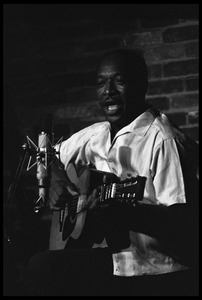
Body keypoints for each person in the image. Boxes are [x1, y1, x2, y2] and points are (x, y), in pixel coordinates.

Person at [21, 48, 199, 296]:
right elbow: (44, 152)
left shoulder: (163, 140)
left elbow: (181, 221)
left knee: (46, 269)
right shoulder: (97, 135)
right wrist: (57, 180)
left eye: (120, 81)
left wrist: (125, 213)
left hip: (158, 271)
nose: (108, 91)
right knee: (40, 266)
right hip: (117, 262)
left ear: (141, 85)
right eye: (101, 83)